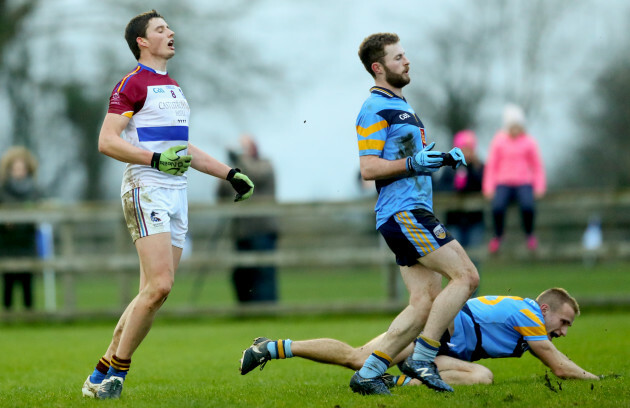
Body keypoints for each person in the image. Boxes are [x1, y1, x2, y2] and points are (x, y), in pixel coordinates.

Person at [81, 10, 254, 400]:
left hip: (176, 192)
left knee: (153, 293)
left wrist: (229, 173)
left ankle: (99, 375)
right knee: (159, 286)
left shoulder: (173, 87)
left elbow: (182, 148)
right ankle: (114, 379)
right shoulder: (132, 84)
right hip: (147, 187)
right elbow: (107, 141)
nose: (171, 32)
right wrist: (155, 161)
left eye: (169, 27)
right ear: (142, 41)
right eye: (161, 29)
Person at [341, 33, 479, 395]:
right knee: (466, 277)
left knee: (424, 303)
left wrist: (441, 159)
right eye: (398, 57)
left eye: (405, 55)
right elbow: (369, 168)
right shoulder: (374, 108)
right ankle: (423, 357)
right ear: (378, 67)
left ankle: (369, 372)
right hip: (405, 214)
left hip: (409, 213)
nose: (406, 61)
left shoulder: (401, 105)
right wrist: (414, 162)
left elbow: (408, 162)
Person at [239, 288, 599, 387]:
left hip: (440, 347)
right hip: (432, 332)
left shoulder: (525, 313)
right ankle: (271, 347)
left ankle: (399, 381)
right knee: (359, 358)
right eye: (563, 322)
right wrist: (597, 379)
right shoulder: (528, 314)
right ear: (546, 309)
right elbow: (560, 368)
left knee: (481, 377)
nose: (563, 331)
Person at [217, 134, 278, 303]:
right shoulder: (238, 168)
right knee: (241, 275)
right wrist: (225, 170)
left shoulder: (265, 165)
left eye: (244, 148)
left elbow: (255, 176)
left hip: (262, 230)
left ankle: (267, 311)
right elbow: (221, 193)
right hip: (242, 232)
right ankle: (246, 312)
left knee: (263, 274)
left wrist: (238, 160)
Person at [482, 104, 546, 253]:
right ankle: (498, 235)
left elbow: (537, 166)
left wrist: (539, 186)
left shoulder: (529, 142)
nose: (515, 130)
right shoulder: (498, 141)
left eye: (517, 126)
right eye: (512, 126)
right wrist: (489, 187)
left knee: (528, 206)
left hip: (523, 182)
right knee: (497, 207)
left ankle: (529, 234)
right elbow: (492, 165)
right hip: (503, 182)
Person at [434, 130, 485, 295]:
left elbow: (484, 188)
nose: (467, 152)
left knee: (474, 263)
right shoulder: (449, 169)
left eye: (470, 148)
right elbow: (441, 190)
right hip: (454, 222)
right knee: (455, 263)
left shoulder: (479, 168)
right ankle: (454, 298)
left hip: (475, 222)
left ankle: (473, 300)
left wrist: (472, 171)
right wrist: (455, 188)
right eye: (464, 148)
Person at [0, 146, 41, 311]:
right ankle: (7, 318)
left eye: (22, 168)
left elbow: (38, 214)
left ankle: (30, 318)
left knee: (27, 283)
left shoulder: (34, 191)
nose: (19, 171)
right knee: (8, 284)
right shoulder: (2, 191)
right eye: (15, 168)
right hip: (7, 243)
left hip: (27, 243)